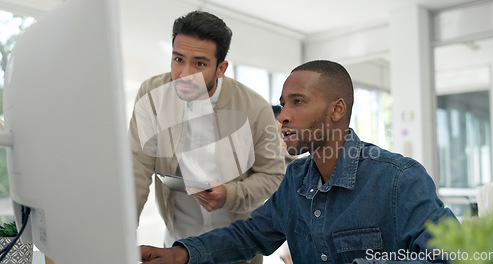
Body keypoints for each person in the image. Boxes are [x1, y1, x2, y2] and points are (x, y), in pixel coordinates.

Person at [139, 60, 457, 264]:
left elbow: (452, 255)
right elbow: (249, 235)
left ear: (337, 110)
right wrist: (180, 253)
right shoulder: (295, 179)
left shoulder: (399, 179)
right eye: (283, 104)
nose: (284, 115)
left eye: (298, 102)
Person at [128, 10, 285, 264]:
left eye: (199, 63)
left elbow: (273, 176)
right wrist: (119, 240)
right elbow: (136, 171)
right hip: (176, 246)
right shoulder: (152, 95)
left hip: (237, 251)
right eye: (178, 59)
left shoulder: (254, 107)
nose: (183, 74)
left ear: (221, 68)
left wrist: (230, 194)